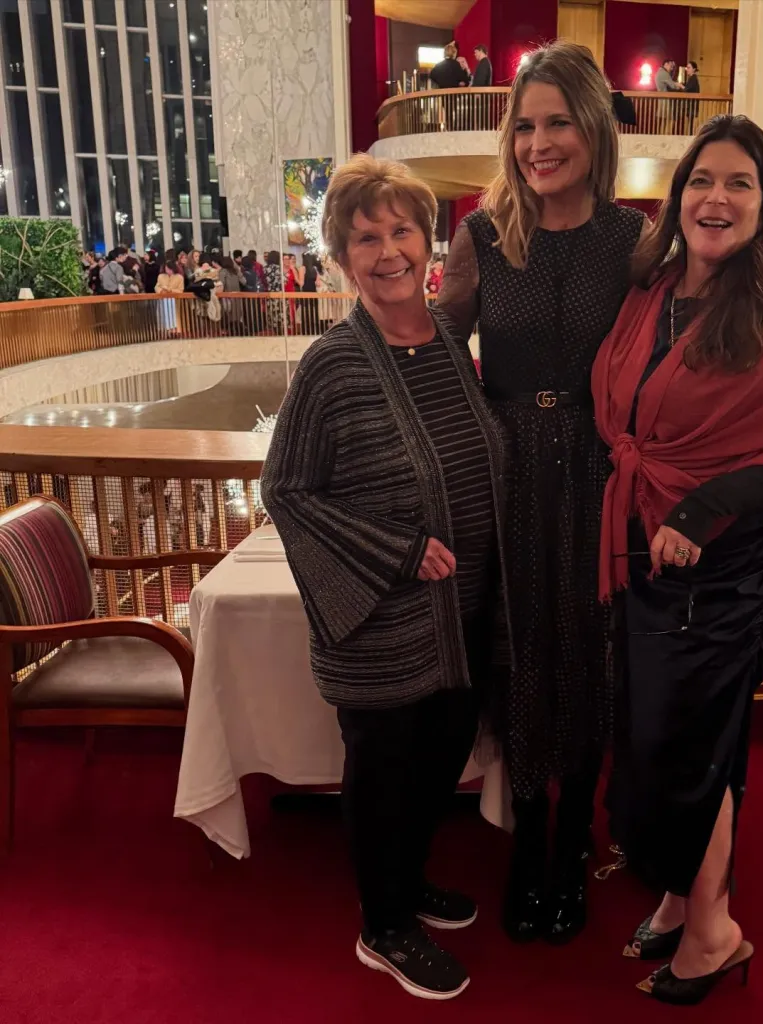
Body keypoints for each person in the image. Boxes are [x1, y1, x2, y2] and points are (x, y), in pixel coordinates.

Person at [592, 113, 763, 1006]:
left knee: (689, 746)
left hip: (724, 571)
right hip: (644, 551)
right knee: (657, 738)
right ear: (678, 199)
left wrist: (704, 508)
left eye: (740, 183)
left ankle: (714, 933)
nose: (717, 197)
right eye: (702, 180)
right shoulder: (654, 292)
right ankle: (682, 900)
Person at [261, 154, 509, 1002]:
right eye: (365, 238)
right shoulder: (332, 365)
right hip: (382, 622)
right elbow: (285, 490)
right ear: (342, 258)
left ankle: (406, 884)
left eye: (401, 230)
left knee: (439, 759)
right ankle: (383, 925)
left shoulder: (446, 340)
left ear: (427, 243)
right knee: (384, 772)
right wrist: (396, 551)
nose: (388, 250)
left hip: (461, 610)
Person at [438, 40, 647, 946]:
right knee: (519, 649)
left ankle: (574, 836)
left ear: (594, 129)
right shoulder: (483, 235)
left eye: (558, 122)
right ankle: (528, 835)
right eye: (524, 126)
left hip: (600, 473)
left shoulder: (634, 240)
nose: (538, 143)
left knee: (591, 649)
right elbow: (440, 354)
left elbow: (670, 352)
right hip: (508, 469)